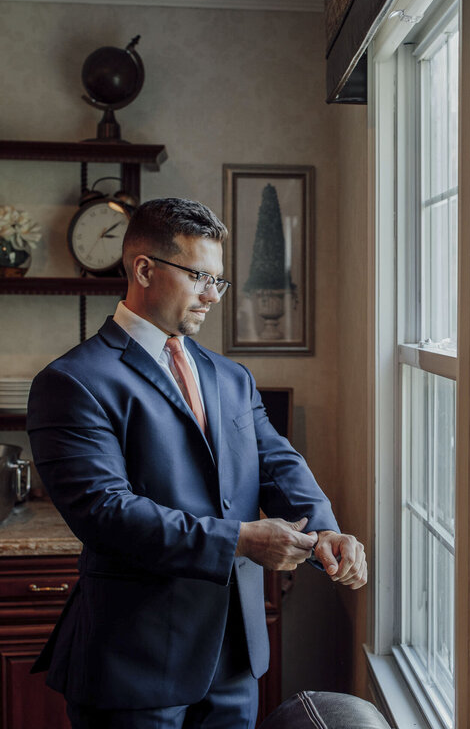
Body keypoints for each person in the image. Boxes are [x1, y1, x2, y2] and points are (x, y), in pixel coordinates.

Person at [27, 198, 366, 728]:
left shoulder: (231, 377)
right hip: (135, 664)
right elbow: (104, 512)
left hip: (234, 660)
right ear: (144, 270)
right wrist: (240, 540)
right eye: (200, 277)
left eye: (218, 281)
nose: (213, 296)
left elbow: (276, 461)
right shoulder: (72, 382)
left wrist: (325, 529)